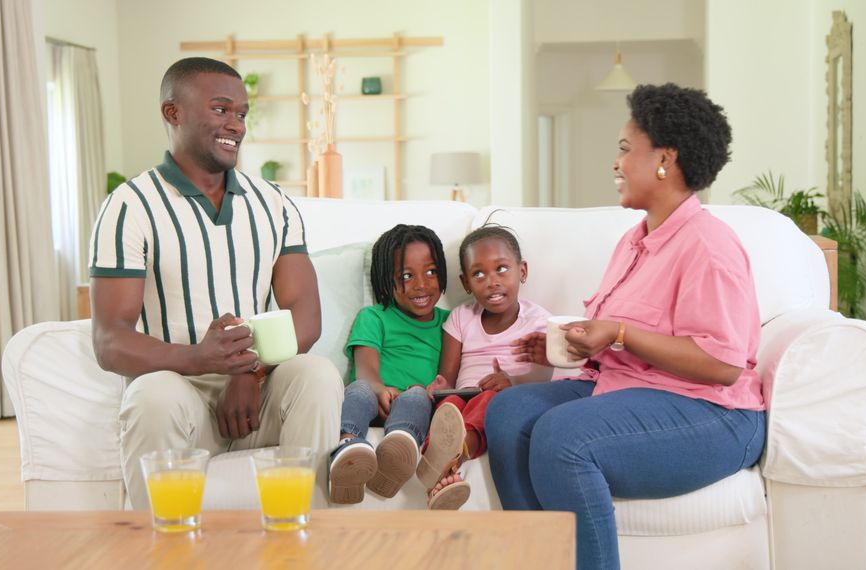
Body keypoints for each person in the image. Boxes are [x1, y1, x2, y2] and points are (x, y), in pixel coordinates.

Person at [486, 83, 767, 570]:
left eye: (624, 149)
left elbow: (721, 365)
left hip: (715, 413)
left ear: (665, 159)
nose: (615, 163)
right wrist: (575, 344)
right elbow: (622, 335)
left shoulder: (708, 245)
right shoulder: (634, 242)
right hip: (631, 387)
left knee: (563, 436)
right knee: (509, 412)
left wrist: (619, 333)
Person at [88, 57, 343, 509]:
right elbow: (110, 342)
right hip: (180, 396)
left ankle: (303, 528)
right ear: (173, 112)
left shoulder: (274, 203)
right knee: (152, 396)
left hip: (258, 395)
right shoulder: (129, 206)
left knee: (317, 374)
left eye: (242, 113)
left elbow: (305, 313)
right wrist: (200, 358)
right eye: (221, 109)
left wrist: (249, 371)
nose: (236, 125)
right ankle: (162, 540)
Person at [418, 224, 554, 510]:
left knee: (490, 399)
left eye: (501, 269)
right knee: (449, 406)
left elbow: (543, 374)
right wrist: (440, 386)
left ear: (522, 271)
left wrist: (512, 382)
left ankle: (456, 453)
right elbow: (447, 377)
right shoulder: (461, 317)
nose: (492, 281)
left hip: (503, 399)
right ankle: (439, 462)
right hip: (463, 397)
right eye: (478, 274)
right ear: (466, 283)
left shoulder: (538, 320)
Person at [328, 224, 450, 504]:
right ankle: (348, 447)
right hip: (376, 399)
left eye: (431, 272)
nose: (421, 284)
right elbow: (366, 371)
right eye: (406, 276)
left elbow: (451, 376)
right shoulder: (374, 317)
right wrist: (380, 389)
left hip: (417, 405)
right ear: (386, 279)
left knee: (417, 395)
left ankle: (397, 452)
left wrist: (436, 388)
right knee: (359, 389)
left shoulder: (451, 323)